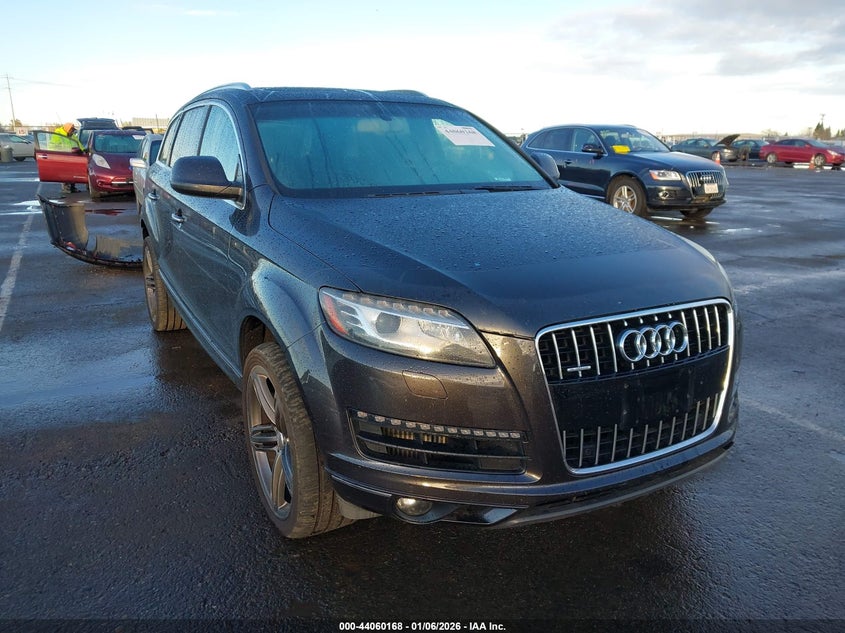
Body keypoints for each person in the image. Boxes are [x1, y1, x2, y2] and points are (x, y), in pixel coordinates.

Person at [51, 123, 80, 193]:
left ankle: (72, 187)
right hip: (63, 157)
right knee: (65, 173)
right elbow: (53, 146)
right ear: (68, 129)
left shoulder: (72, 136)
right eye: (72, 130)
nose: (72, 131)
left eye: (73, 130)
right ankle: (66, 188)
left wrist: (83, 150)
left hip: (72, 157)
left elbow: (78, 144)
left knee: (73, 173)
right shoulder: (58, 135)